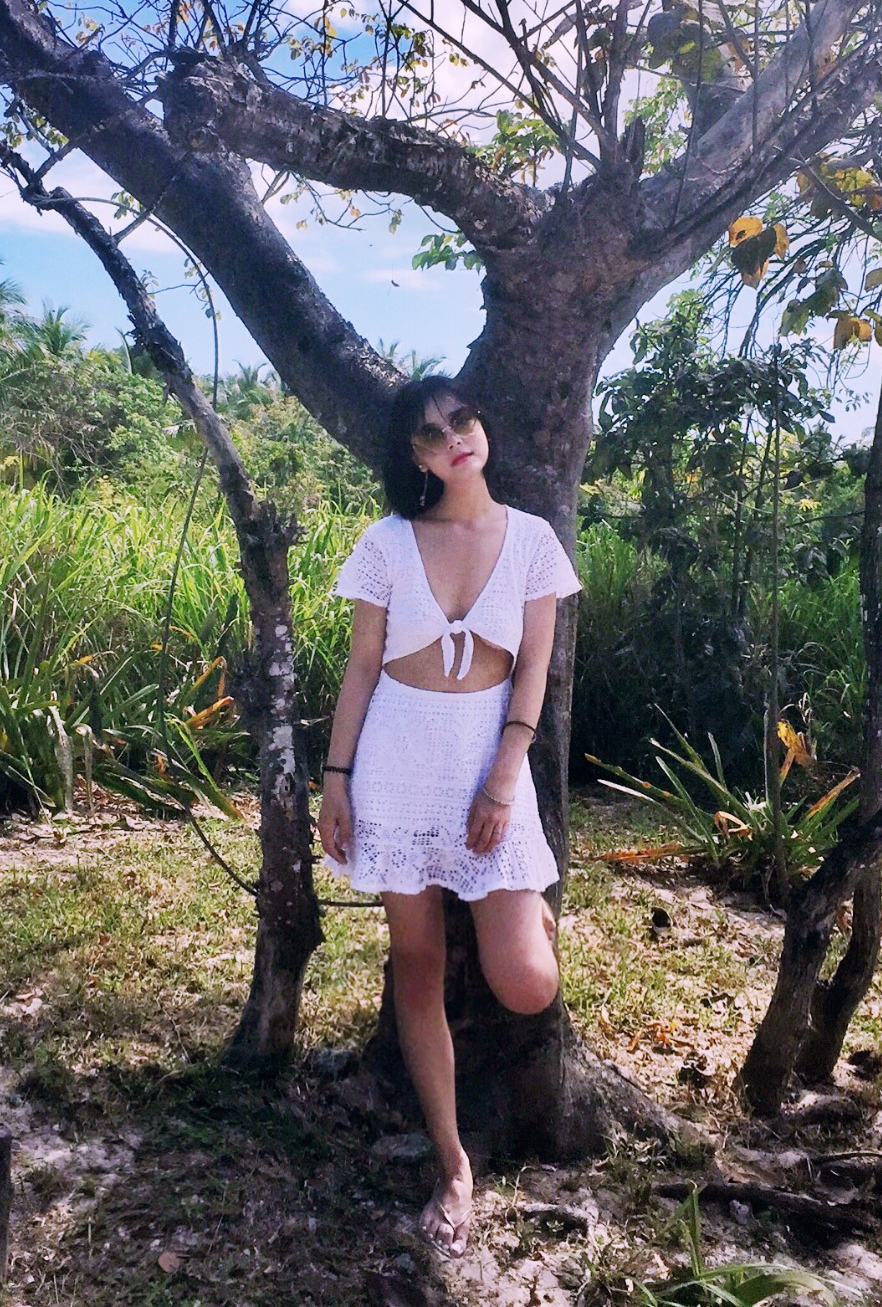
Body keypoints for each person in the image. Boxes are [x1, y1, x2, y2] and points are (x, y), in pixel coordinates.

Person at [317, 375, 584, 1257]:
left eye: (461, 420)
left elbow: (534, 670)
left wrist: (505, 776)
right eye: (430, 434)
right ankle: (453, 1161)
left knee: (528, 983)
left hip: (485, 761)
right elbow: (362, 668)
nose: (452, 439)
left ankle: (530, 909)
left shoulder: (534, 541)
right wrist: (336, 779)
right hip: (395, 762)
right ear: (416, 457)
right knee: (418, 961)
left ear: (482, 426)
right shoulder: (388, 542)